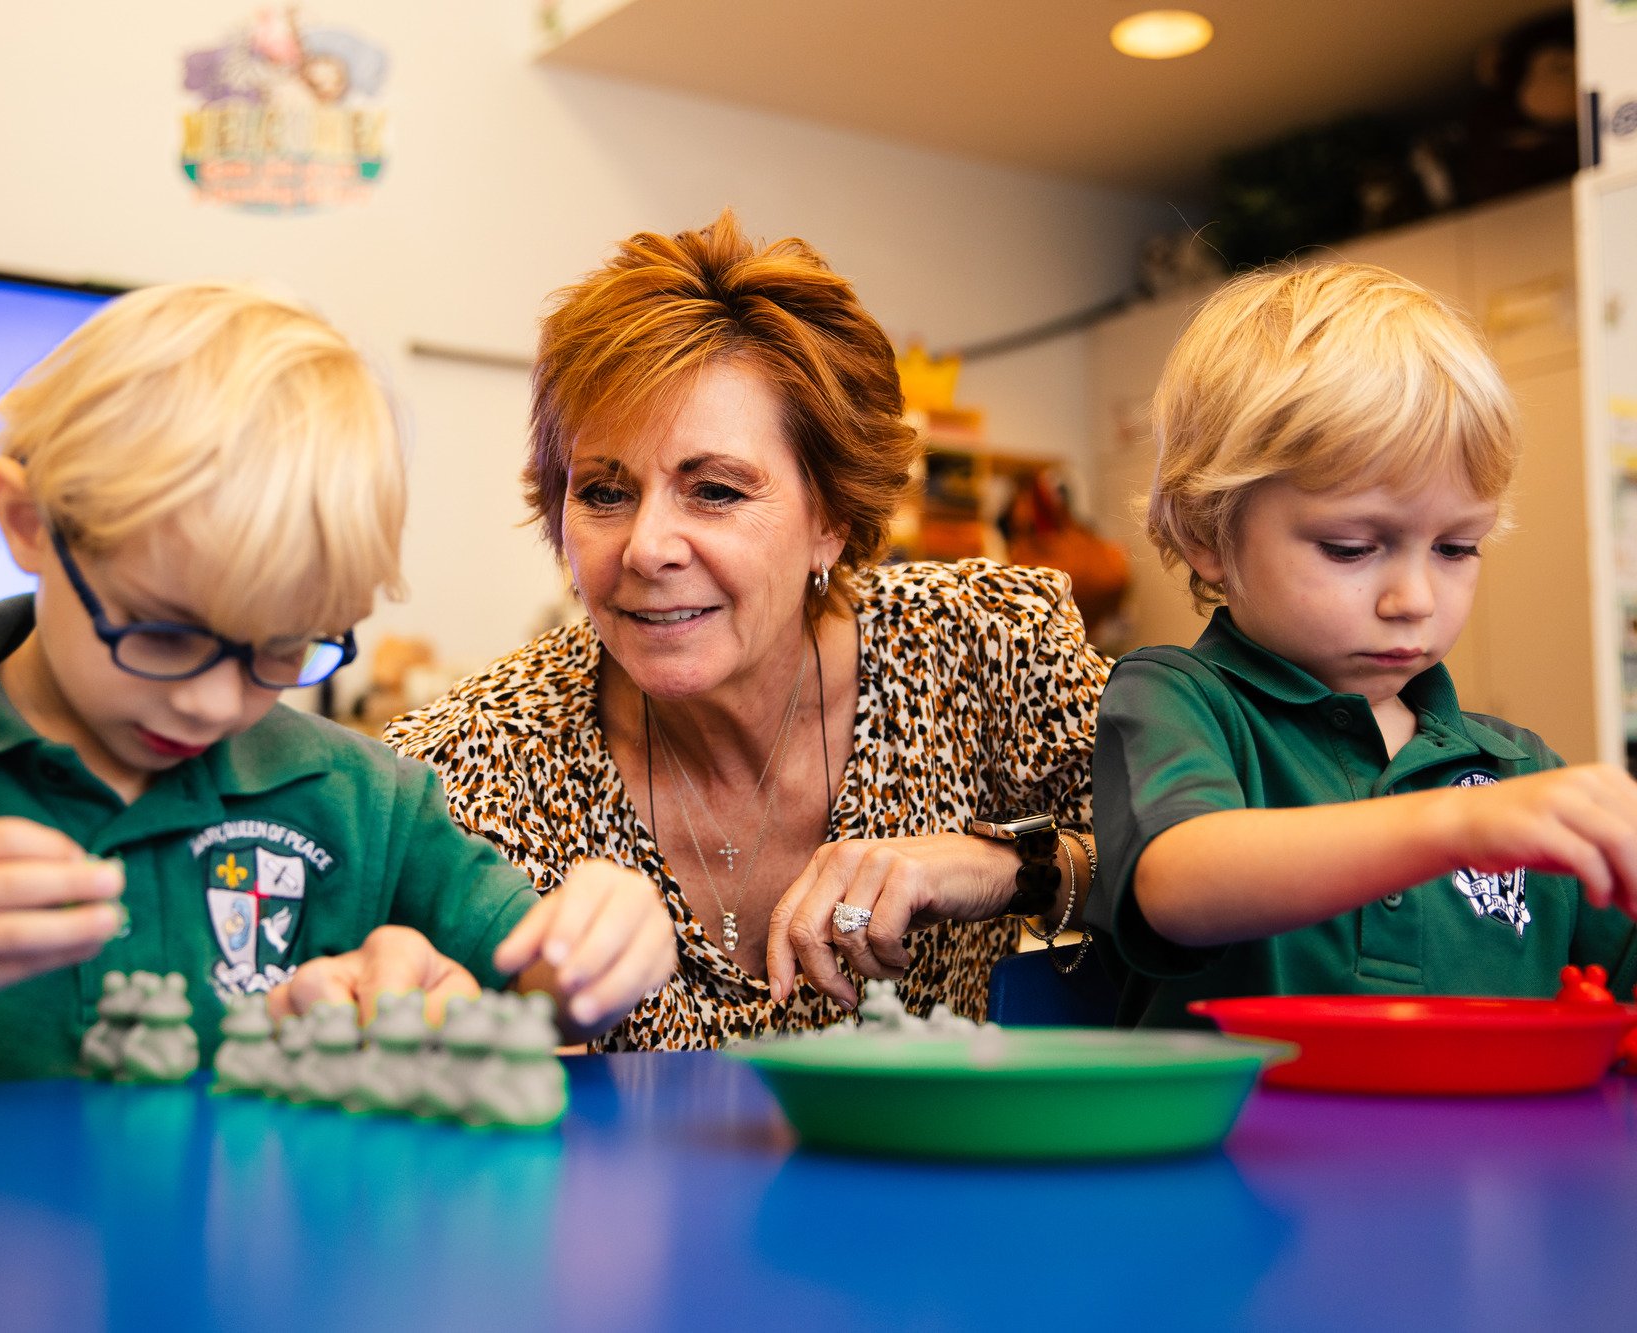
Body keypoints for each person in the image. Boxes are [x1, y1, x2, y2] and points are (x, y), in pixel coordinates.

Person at [0, 281, 675, 1088]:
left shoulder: (368, 800)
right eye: (164, 634)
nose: (213, 702)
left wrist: (600, 946)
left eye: (282, 650)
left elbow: (539, 996)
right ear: (28, 520)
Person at [386, 212, 1110, 1049]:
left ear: (831, 517)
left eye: (716, 491)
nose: (647, 547)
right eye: (604, 493)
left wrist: (1010, 869)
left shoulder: (983, 647)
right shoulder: (463, 771)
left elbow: (1192, 868)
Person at [1085, 261, 1637, 1027]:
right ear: (1208, 532)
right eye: (1350, 547)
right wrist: (1456, 827)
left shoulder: (1518, 768)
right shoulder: (1177, 698)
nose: (1414, 600)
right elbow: (1179, 885)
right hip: (1241, 1112)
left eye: (1456, 548)